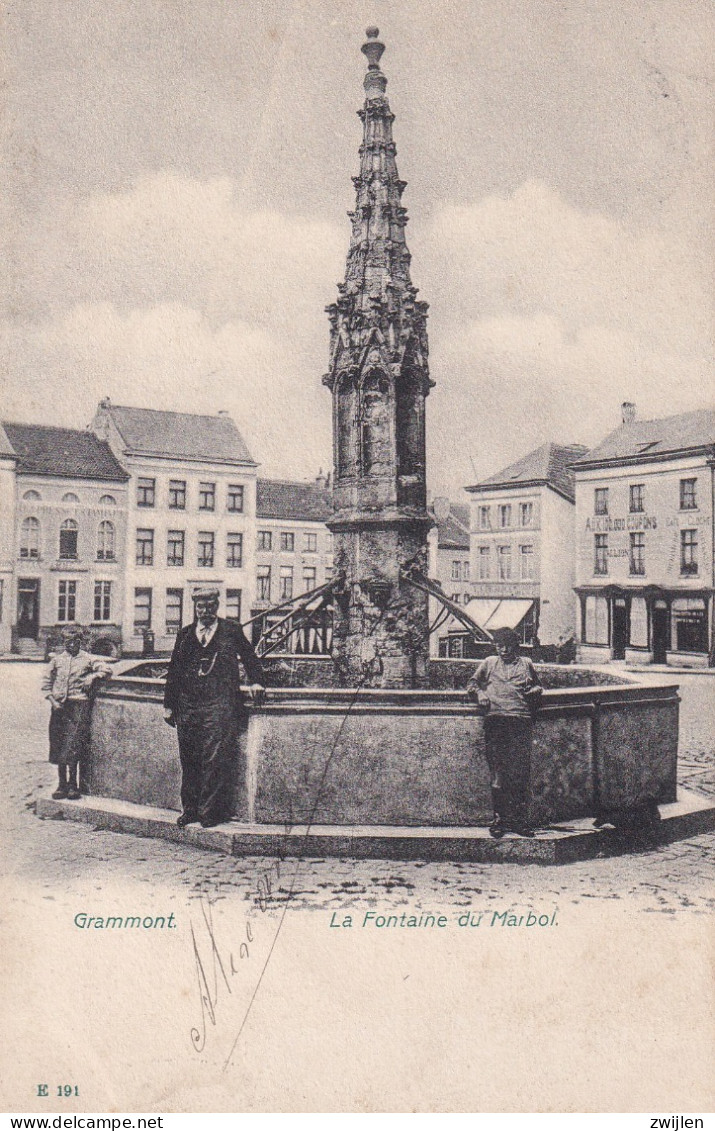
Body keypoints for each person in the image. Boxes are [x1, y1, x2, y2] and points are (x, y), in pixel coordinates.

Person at [163, 586, 265, 829]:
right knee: (189, 759)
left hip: (219, 705)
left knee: (214, 759)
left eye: (210, 606)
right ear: (195, 608)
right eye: (201, 606)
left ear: (217, 607)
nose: (205, 611)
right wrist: (169, 705)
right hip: (188, 706)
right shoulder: (185, 635)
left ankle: (209, 812)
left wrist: (257, 681)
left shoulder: (231, 630)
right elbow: (174, 671)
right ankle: (190, 811)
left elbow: (250, 659)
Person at [467, 627, 542, 838]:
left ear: (515, 646)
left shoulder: (526, 664)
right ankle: (499, 819)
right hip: (496, 721)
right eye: (500, 645)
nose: (504, 650)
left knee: (518, 772)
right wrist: (480, 693)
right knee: (498, 772)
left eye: (508, 645)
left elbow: (538, 686)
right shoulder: (489, 663)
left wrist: (535, 691)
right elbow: (472, 683)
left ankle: (519, 821)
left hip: (520, 721)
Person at [43, 628, 113, 799]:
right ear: (64, 642)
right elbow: (46, 683)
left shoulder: (88, 658)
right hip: (59, 707)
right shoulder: (57, 660)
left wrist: (93, 676)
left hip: (78, 706)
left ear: (80, 642)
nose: (71, 644)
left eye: (75, 641)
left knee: (73, 744)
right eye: (68, 641)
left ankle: (73, 785)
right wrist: (54, 702)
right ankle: (61, 785)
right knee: (58, 743)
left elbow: (106, 670)